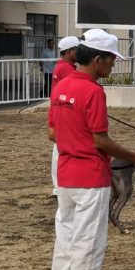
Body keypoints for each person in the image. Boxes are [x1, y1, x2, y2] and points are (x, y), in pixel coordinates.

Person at [47, 28, 135, 270]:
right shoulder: (93, 91)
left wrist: (73, 142)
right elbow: (100, 141)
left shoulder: (61, 86)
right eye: (111, 60)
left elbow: (53, 133)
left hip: (65, 175)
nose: (113, 65)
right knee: (89, 242)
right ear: (97, 59)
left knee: (65, 237)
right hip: (90, 177)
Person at [49, 35, 81, 195]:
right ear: (69, 51)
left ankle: (58, 185)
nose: (79, 52)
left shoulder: (62, 66)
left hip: (60, 110)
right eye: (77, 50)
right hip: (64, 111)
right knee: (61, 149)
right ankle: (59, 186)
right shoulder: (67, 69)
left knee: (59, 148)